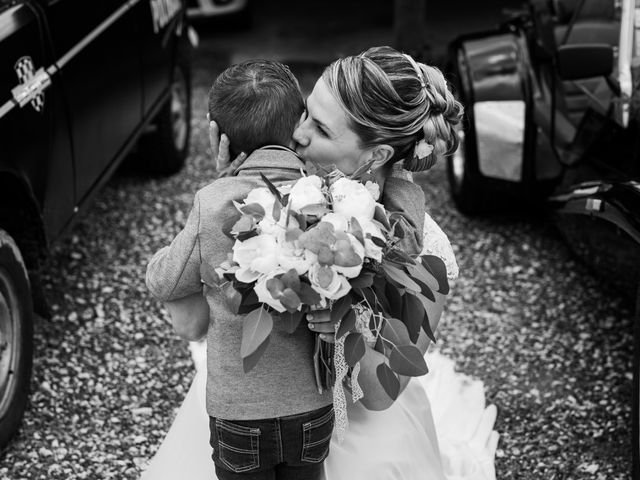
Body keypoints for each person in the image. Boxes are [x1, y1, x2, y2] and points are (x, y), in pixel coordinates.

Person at [141, 47, 499, 480]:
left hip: (350, 439)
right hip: (246, 411)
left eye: (322, 129)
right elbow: (191, 325)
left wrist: (340, 316)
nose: (298, 135)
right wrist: (223, 206)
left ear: (377, 156)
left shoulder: (422, 253)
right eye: (304, 114)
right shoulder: (261, 196)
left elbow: (380, 395)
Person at [146, 60, 335, 480]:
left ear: (217, 135)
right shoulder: (325, 198)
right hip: (310, 401)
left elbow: (166, 281)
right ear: (299, 124)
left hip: (240, 411)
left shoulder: (212, 203)